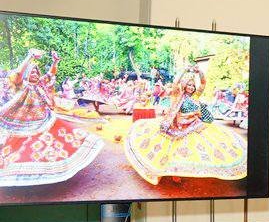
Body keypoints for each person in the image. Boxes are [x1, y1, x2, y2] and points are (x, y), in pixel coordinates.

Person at [123, 66, 247, 185]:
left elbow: (203, 83)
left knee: (195, 149)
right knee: (174, 150)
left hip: (194, 126)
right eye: (189, 84)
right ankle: (174, 172)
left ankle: (188, 170)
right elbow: (175, 83)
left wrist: (199, 72)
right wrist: (184, 70)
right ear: (184, 85)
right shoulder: (178, 95)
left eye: (193, 85)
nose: (191, 87)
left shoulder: (196, 96)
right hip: (178, 127)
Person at [0, 49, 103, 187]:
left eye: (37, 72)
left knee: (62, 136)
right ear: (26, 74)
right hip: (24, 126)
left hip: (45, 121)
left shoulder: (40, 85)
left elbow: (50, 74)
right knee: (23, 152)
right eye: (32, 72)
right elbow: (17, 74)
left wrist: (55, 62)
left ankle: (50, 173)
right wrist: (30, 56)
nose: (35, 74)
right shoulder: (21, 85)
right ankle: (25, 176)